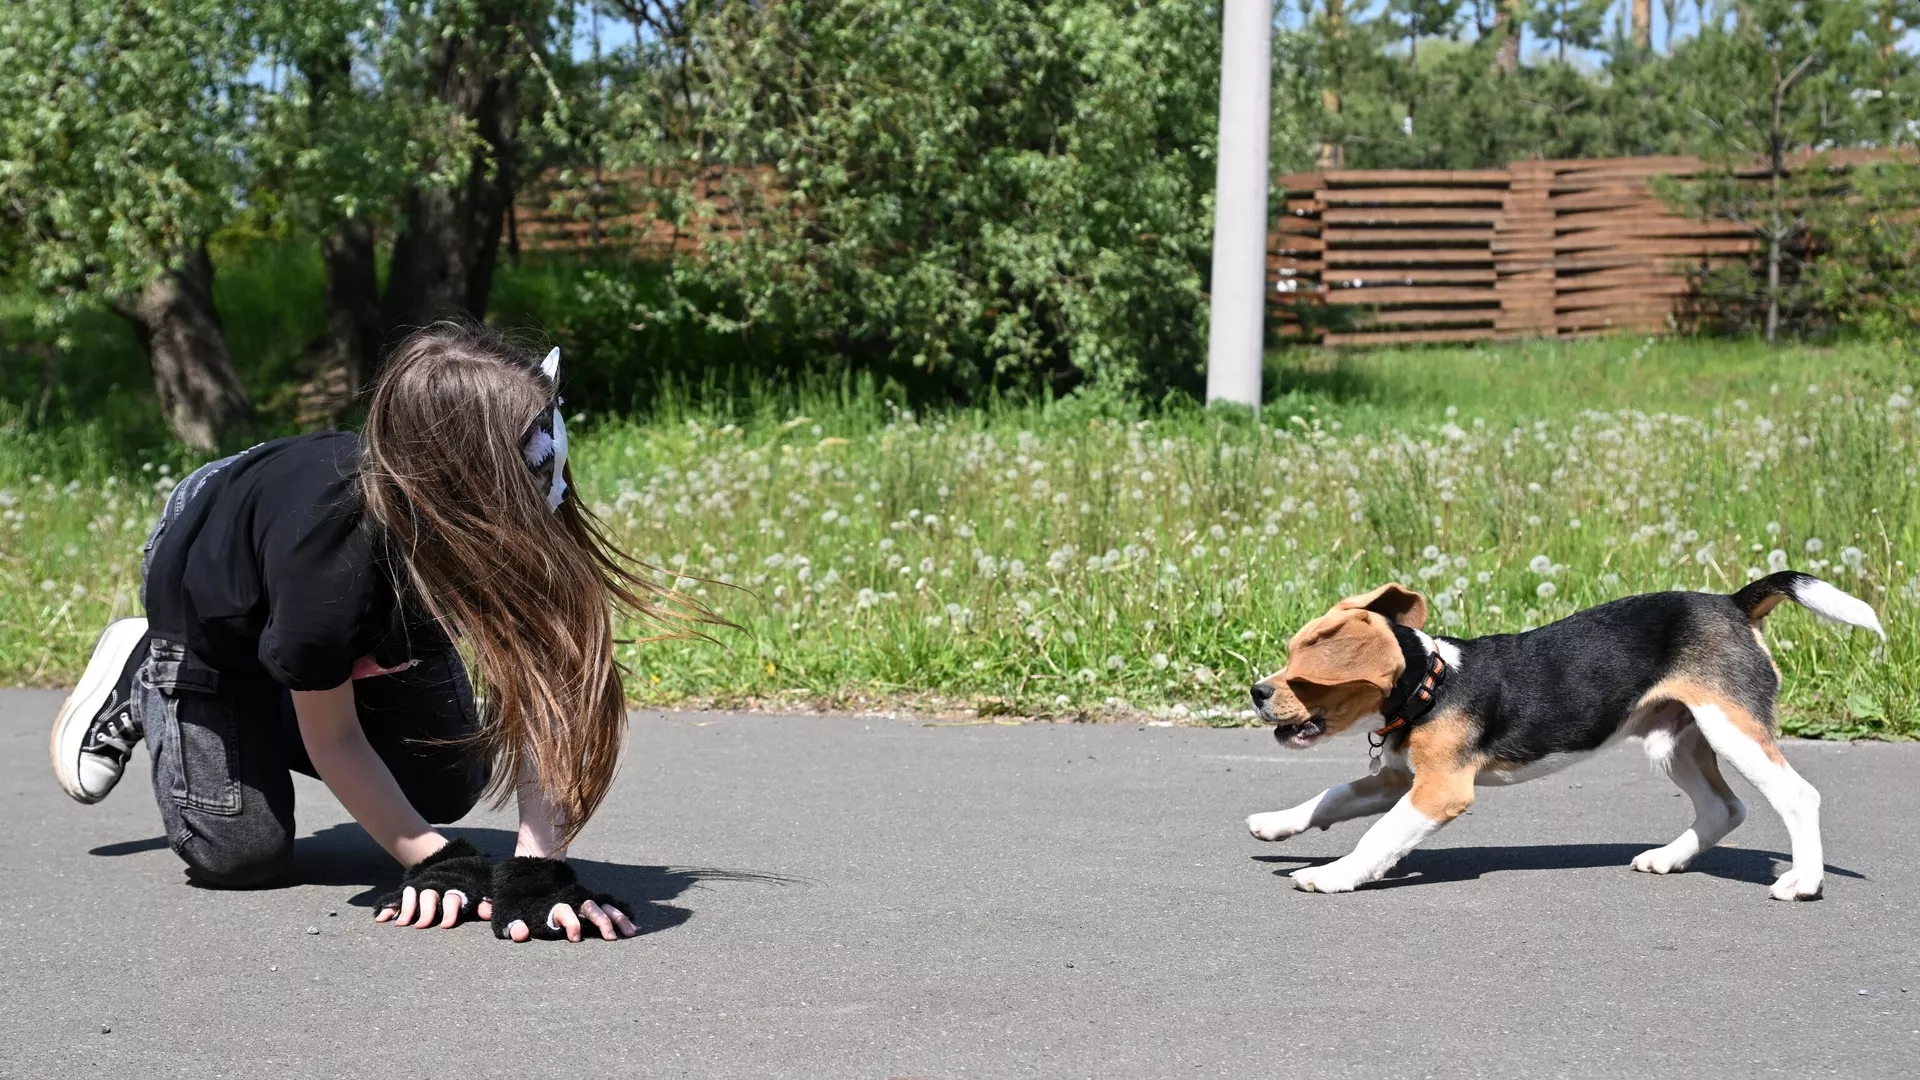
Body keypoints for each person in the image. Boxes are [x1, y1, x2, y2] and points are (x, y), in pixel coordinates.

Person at [49, 323, 713, 942]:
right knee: (240, 853)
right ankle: (145, 668)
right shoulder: (331, 578)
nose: (553, 460)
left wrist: (540, 871)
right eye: (536, 448)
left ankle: (304, 675)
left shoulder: (517, 501)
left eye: (549, 433)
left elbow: (551, 690)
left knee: (447, 786)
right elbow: (333, 735)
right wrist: (430, 857)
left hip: (356, 604)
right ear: (465, 478)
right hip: (216, 588)